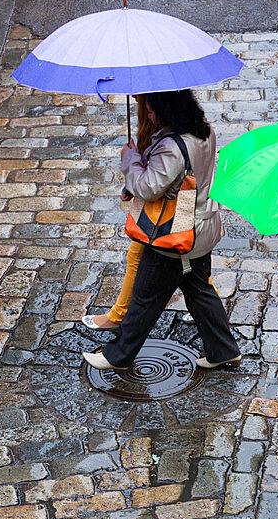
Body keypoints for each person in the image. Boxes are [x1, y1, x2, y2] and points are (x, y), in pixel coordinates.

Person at [83, 90, 241, 371]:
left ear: (168, 111)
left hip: (172, 232)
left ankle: (117, 355)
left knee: (145, 297)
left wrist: (129, 159)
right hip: (201, 229)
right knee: (199, 291)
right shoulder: (204, 130)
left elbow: (148, 187)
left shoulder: (172, 146)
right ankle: (223, 350)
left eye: (153, 111)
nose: (150, 117)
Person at [81, 100, 155, 331]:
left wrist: (130, 158)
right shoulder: (158, 119)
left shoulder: (166, 129)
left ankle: (120, 316)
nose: (133, 98)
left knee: (137, 258)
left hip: (167, 211)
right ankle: (213, 321)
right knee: (193, 270)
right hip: (176, 209)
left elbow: (154, 183)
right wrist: (130, 186)